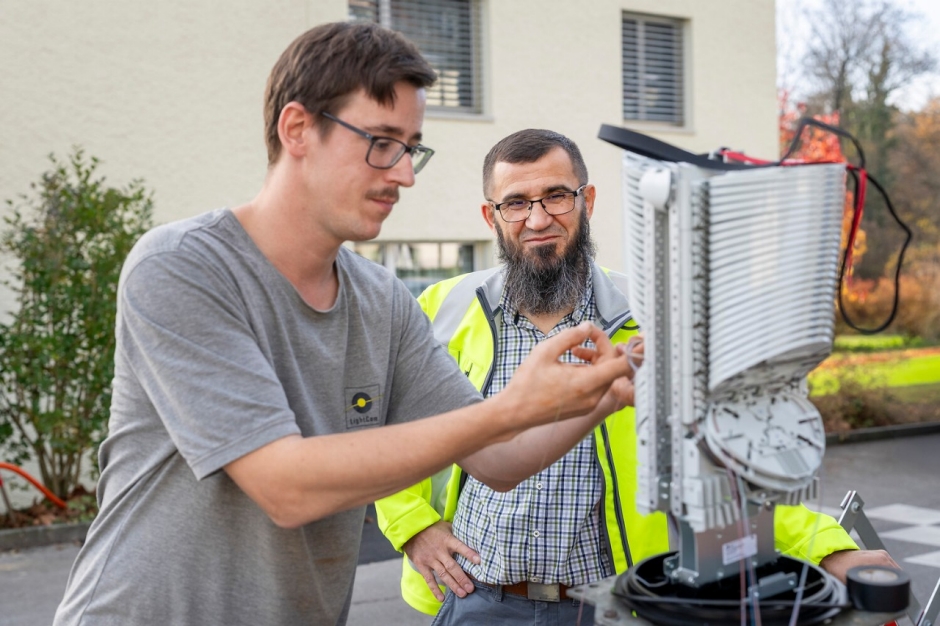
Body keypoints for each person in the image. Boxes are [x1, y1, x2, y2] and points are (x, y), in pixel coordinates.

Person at [53, 24, 636, 626]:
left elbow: (497, 459)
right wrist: (513, 407)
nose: (405, 175)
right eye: (382, 142)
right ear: (297, 129)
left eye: (411, 148)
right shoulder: (184, 267)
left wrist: (605, 393)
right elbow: (286, 487)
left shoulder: (382, 299)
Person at [375, 129, 900, 624]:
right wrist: (412, 526)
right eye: (516, 202)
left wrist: (830, 548)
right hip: (479, 600)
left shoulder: (658, 318)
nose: (537, 218)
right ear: (491, 215)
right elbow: (385, 429)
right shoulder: (442, 308)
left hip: (607, 604)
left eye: (557, 195)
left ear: (589, 201)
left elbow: (729, 462)